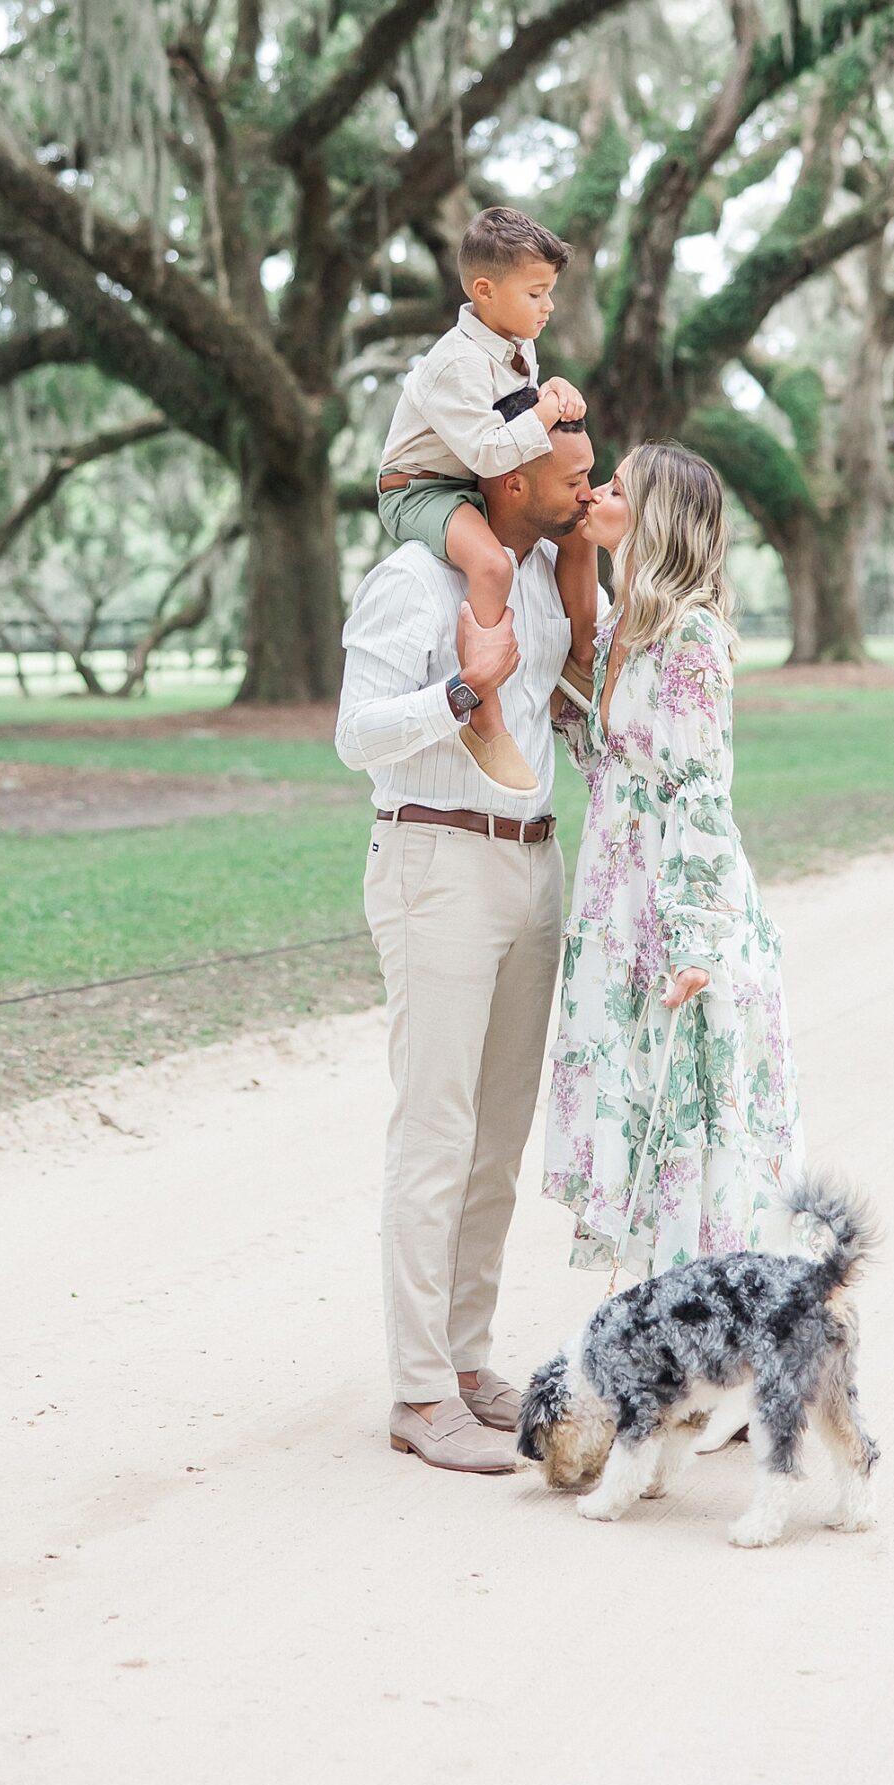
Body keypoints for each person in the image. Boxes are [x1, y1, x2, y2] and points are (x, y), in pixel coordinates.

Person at [336, 420, 598, 1475]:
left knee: (498, 1134)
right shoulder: (412, 579)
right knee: (437, 1129)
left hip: (533, 862)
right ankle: (416, 1390)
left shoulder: (544, 570)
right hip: (435, 859)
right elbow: (356, 734)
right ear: (512, 473)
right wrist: (460, 689)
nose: (584, 486)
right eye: (569, 473)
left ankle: (468, 1355)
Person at [543, 441, 802, 1281]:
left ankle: (722, 1323)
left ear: (651, 516)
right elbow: (617, 765)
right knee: (640, 1095)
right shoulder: (621, 625)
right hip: (616, 893)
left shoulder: (691, 634)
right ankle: (669, 1321)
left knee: (691, 1105)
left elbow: (699, 788)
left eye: (614, 488)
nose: (596, 494)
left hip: (677, 901)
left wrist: (690, 940)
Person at [374, 206, 599, 796]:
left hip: (473, 485)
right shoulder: (455, 363)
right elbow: (491, 452)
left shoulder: (517, 345)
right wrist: (545, 409)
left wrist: (553, 389)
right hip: (420, 490)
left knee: (578, 528)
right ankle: (485, 716)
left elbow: (520, 425)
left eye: (550, 292)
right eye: (536, 292)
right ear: (484, 291)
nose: (548, 306)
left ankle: (580, 660)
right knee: (494, 564)